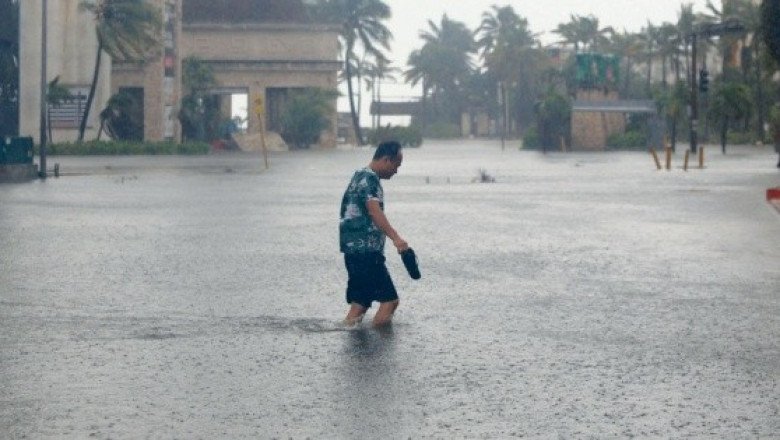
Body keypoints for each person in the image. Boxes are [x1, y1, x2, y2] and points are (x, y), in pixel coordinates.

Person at [339, 141, 408, 328]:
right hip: (367, 253)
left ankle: (354, 345)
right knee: (390, 301)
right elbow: (374, 211)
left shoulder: (358, 176)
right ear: (386, 160)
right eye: (396, 165)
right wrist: (396, 238)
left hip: (352, 252)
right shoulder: (370, 180)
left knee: (360, 304)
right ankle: (378, 354)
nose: (396, 171)